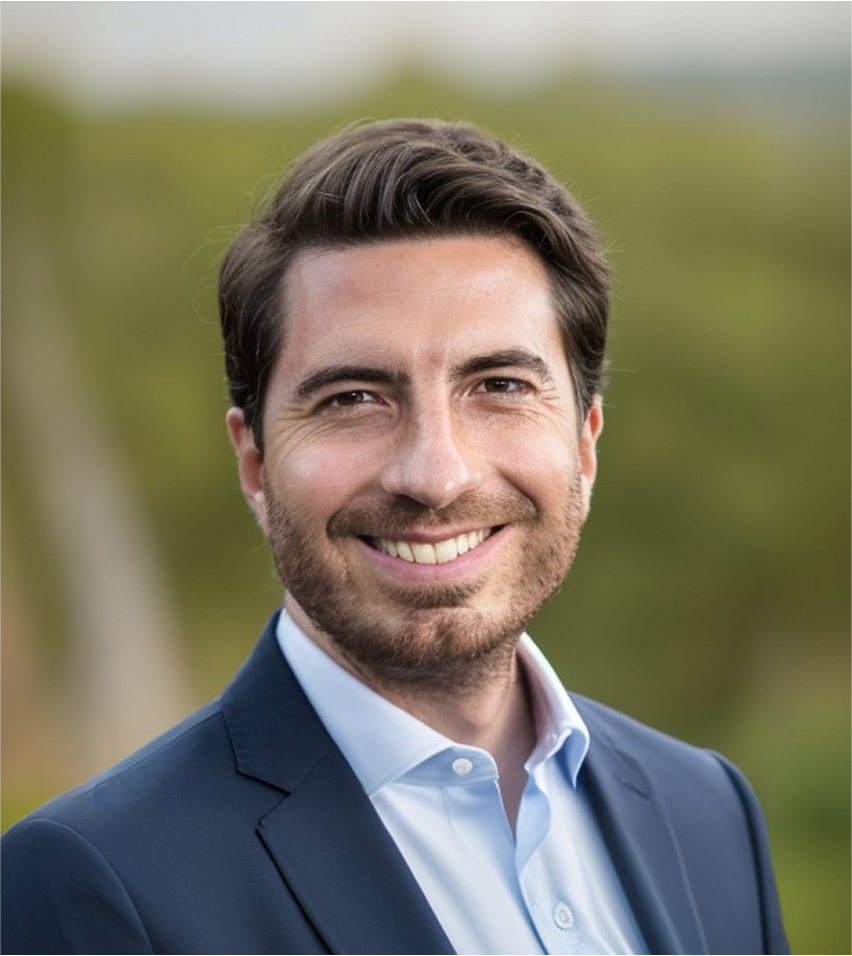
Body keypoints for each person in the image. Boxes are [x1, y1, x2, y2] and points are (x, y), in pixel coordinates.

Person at [0, 118, 790, 956]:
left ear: (585, 442)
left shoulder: (709, 813)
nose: (436, 475)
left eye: (499, 384)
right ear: (255, 461)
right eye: (352, 398)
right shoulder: (90, 887)